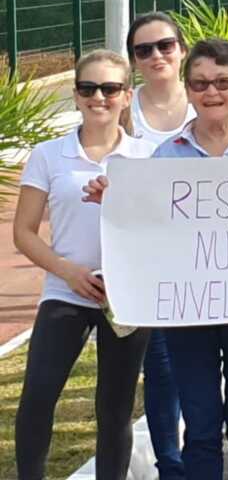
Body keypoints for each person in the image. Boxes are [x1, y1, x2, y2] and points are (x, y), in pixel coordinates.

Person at [88, 38, 228, 480]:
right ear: (189, 89)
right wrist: (120, 201)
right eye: (200, 83)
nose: (212, 92)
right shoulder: (168, 156)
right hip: (188, 313)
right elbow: (150, 226)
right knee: (200, 429)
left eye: (223, 81)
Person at [14, 50, 154, 480]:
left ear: (127, 96)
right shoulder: (48, 155)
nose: (99, 97)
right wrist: (67, 271)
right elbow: (24, 232)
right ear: (75, 95)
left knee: (114, 407)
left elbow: (161, 229)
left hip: (125, 296)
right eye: (88, 88)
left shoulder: (148, 156)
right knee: (38, 395)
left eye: (110, 88)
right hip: (65, 291)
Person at [126, 13, 195, 479]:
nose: (156, 56)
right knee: (162, 364)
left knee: (206, 364)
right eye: (143, 50)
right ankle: (170, 464)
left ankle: (202, 452)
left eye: (165, 45)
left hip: (208, 258)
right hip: (148, 257)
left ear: (182, 49)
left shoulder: (208, 99)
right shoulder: (121, 108)